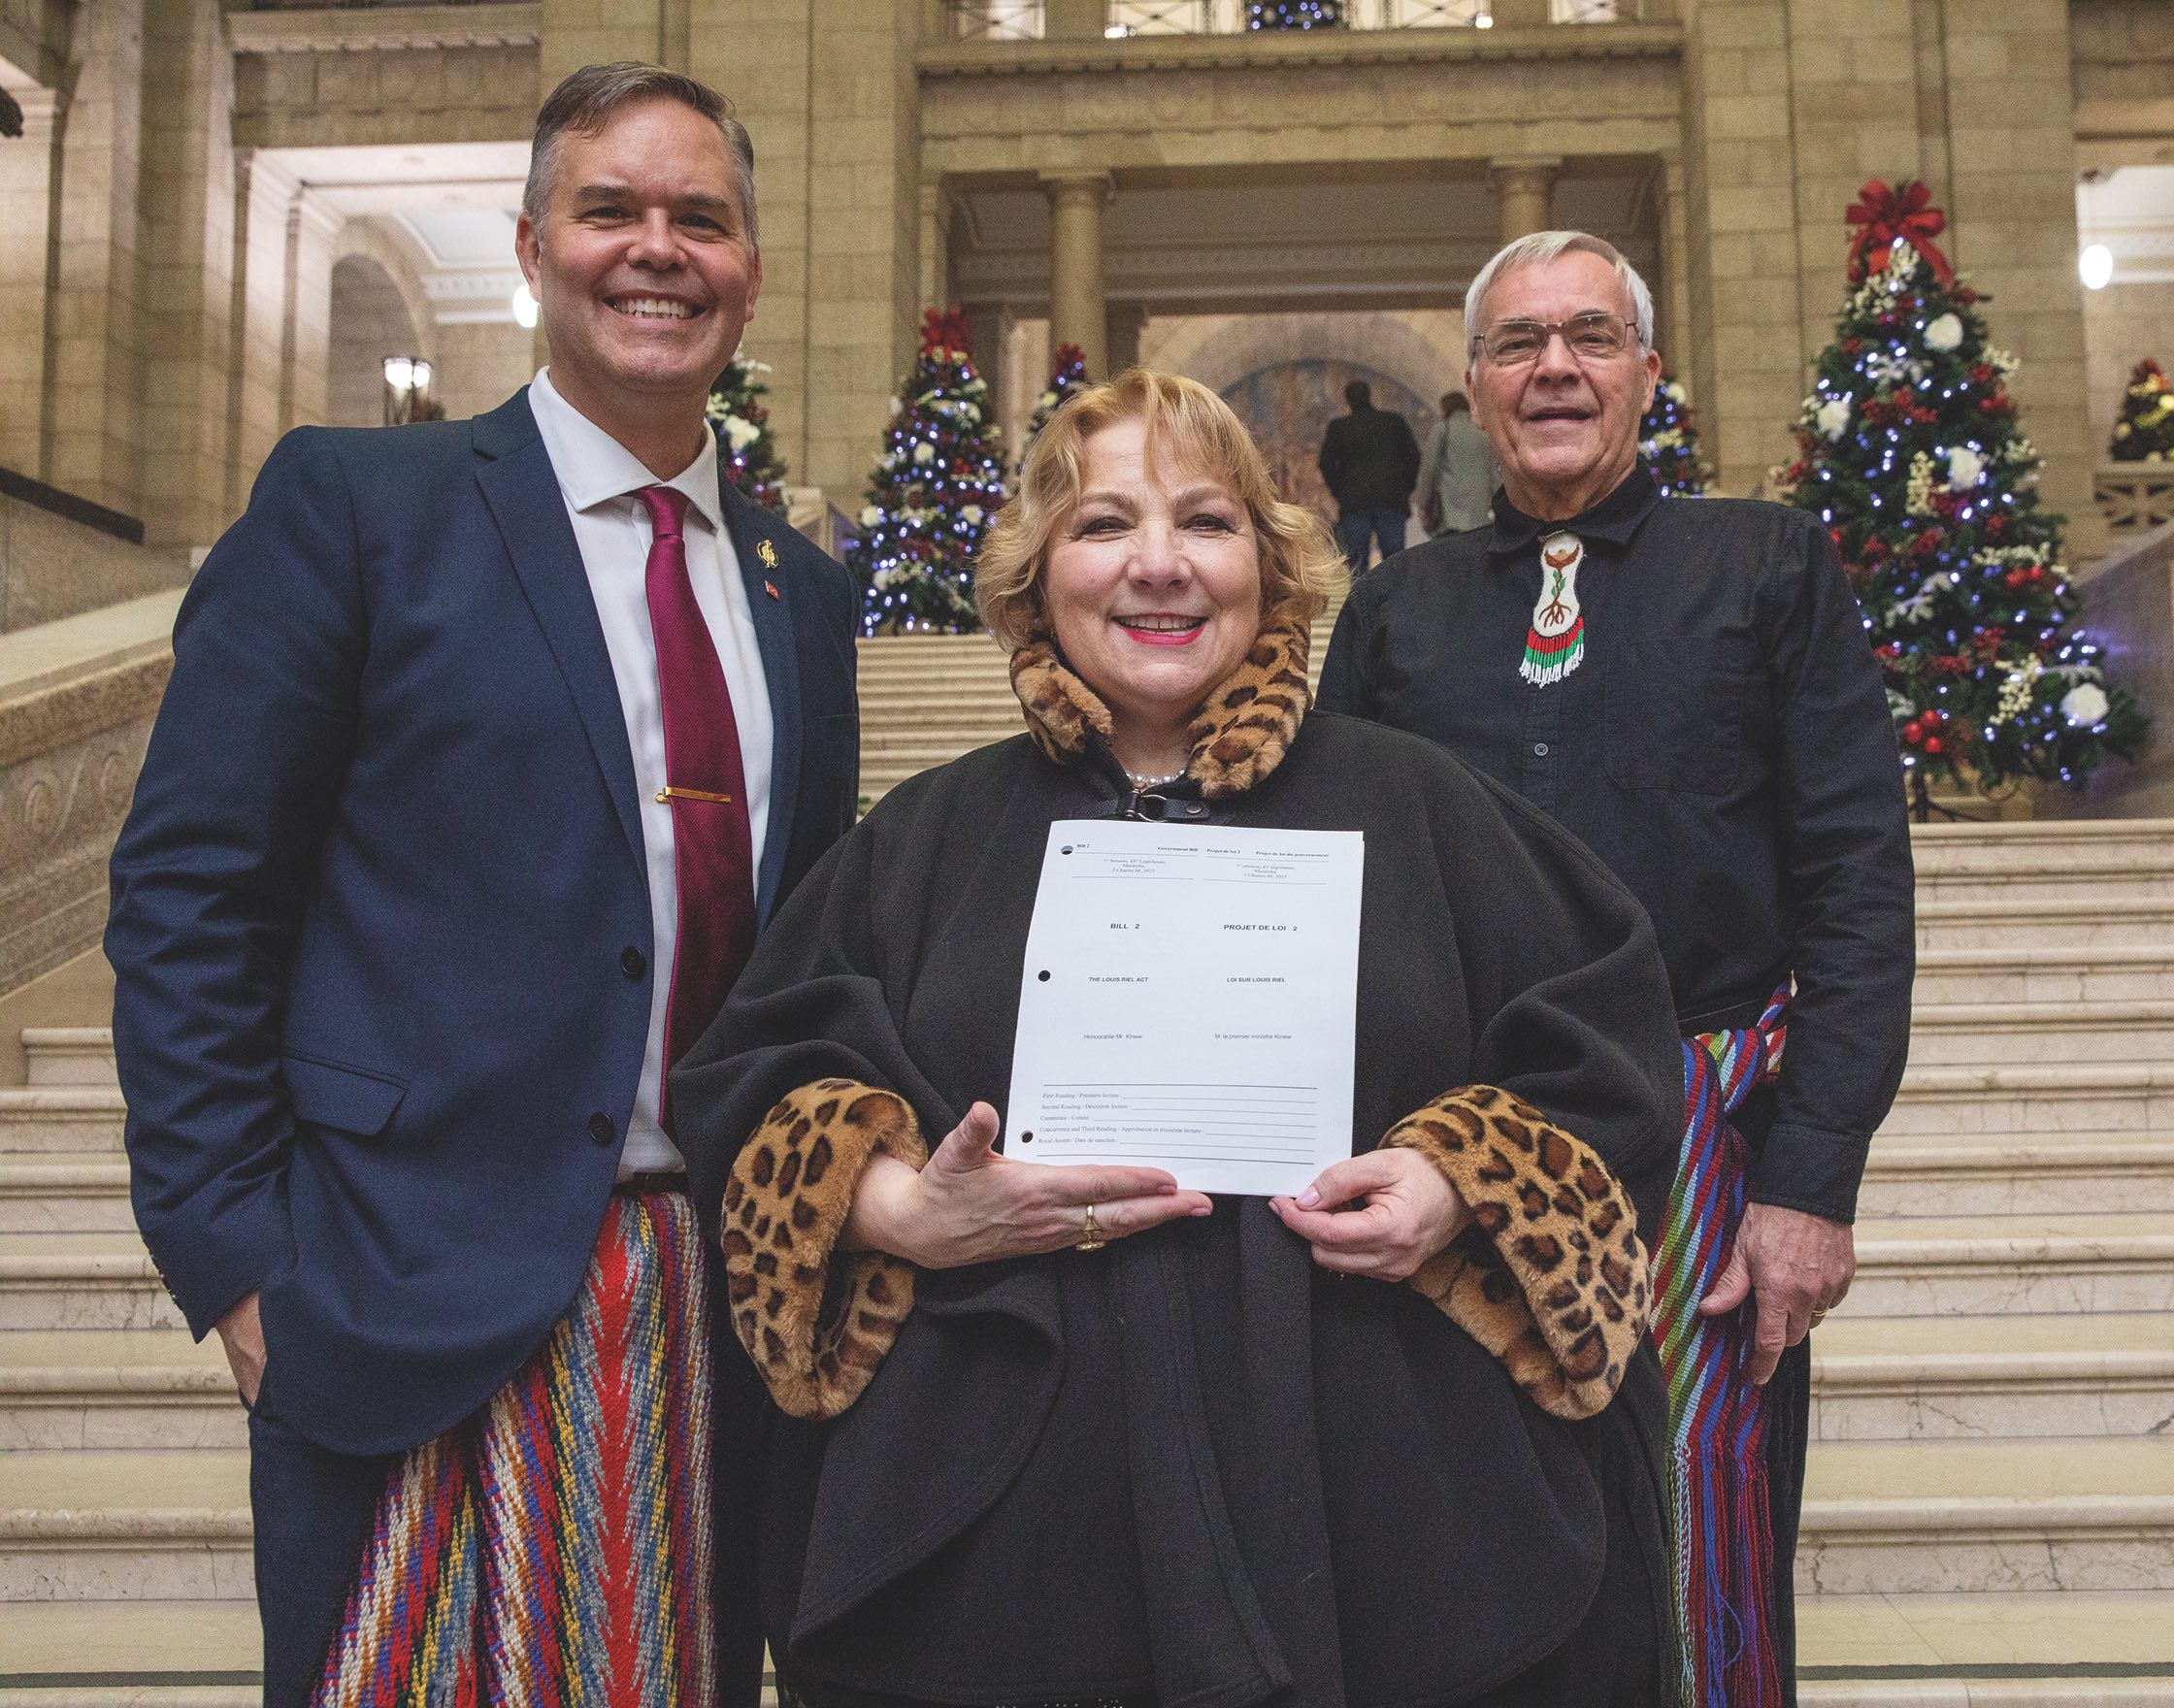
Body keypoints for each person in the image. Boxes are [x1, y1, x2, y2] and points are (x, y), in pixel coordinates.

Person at [672, 369, 1685, 1708]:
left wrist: (1457, 1183)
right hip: (1003, 1557)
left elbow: (1605, 1045)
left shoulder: (1426, 807)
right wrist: (897, 1203)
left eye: (1205, 523)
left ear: (1270, 570)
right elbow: (754, 1078)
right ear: (1038, 580)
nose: (1159, 567)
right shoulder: (924, 838)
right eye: (1103, 527)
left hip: (1387, 1530)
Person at [104, 62, 860, 1708]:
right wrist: (235, 1260)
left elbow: (815, 955)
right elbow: (189, 894)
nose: (656, 250)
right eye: (611, 211)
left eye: (700, 219)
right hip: (403, 1287)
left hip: (709, 1310)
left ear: (751, 267)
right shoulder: (361, 509)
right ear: (532, 246)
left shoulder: (805, 591)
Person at [1317, 231, 1917, 1707]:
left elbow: (1856, 881)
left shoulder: (1768, 563)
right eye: (1520, 345)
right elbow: (1322, 875)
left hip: (1705, 1128)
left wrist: (1811, 1183)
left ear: (1648, 370)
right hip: (1445, 1133)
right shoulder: (1399, 608)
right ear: (1474, 386)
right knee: (1458, 1518)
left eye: (1591, 336)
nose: (1557, 369)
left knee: (1702, 1508)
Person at [1315, 377, 1421, 569]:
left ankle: (1361, 599)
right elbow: (1413, 456)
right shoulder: (1393, 422)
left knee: (1356, 563)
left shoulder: (1340, 427)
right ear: (1369, 396)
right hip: (1391, 497)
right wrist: (1406, 486)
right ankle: (1396, 599)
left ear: (1347, 401)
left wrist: (1338, 489)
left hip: (1354, 500)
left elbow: (1326, 462)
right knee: (1395, 561)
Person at [1420, 387, 1498, 535]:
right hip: (1479, 510)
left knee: (1449, 551)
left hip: (1450, 508)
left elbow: (1429, 469)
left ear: (1446, 408)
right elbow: (1493, 472)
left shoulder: (1442, 430)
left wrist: (1423, 500)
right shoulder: (1483, 434)